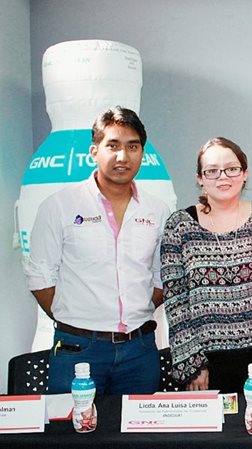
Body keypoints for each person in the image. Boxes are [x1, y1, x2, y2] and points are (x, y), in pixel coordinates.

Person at [24, 106, 170, 394]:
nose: (122, 157)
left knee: (139, 436)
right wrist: (80, 319)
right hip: (78, 350)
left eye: (133, 147)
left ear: (142, 152)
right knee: (72, 436)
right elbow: (40, 278)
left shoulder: (158, 210)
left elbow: (160, 276)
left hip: (139, 350)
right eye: (112, 146)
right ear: (94, 151)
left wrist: (137, 311)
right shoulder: (59, 206)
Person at [161, 137, 252, 393]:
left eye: (232, 168)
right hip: (206, 363)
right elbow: (175, 300)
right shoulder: (180, 225)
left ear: (245, 173)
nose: (222, 176)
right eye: (212, 170)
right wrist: (192, 363)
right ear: (200, 178)